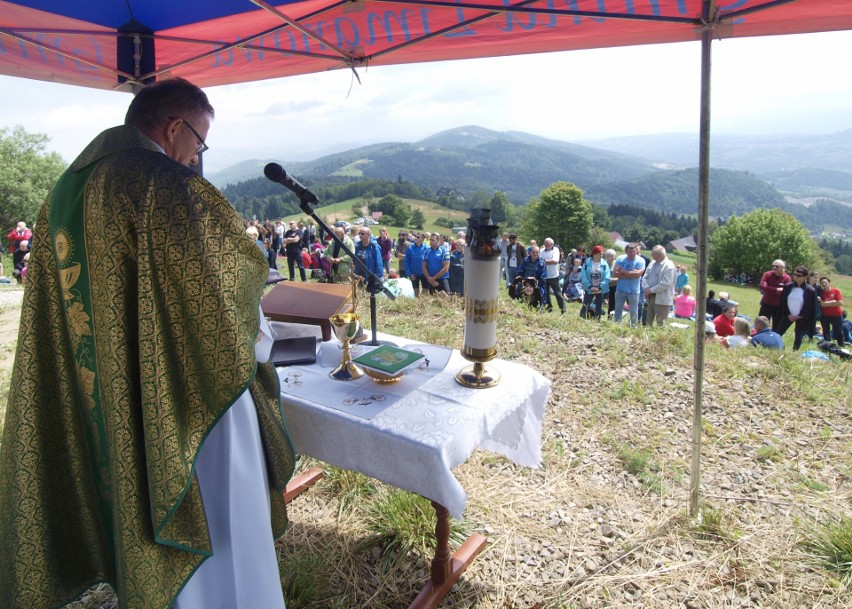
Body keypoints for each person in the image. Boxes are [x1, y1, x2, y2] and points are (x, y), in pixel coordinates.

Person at [0, 78, 295, 609]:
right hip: (185, 398)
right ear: (174, 127)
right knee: (222, 520)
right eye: (200, 142)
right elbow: (223, 289)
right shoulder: (160, 183)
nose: (197, 156)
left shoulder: (68, 187)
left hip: (108, 398)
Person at [777, 265, 818, 351]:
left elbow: (811, 307)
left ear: (805, 277)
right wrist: (788, 314)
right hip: (788, 315)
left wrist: (800, 316)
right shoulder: (788, 286)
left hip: (802, 317)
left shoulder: (810, 290)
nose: (796, 277)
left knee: (798, 336)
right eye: (795, 274)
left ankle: (794, 352)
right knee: (778, 333)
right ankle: (775, 347)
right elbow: (783, 302)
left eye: (799, 275)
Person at [612, 243, 646, 326]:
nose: (632, 254)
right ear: (626, 252)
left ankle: (633, 326)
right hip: (621, 289)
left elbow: (638, 274)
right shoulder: (620, 259)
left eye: (634, 251)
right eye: (630, 252)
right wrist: (630, 274)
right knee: (618, 308)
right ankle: (616, 325)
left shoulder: (640, 260)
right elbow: (615, 272)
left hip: (633, 290)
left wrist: (623, 271)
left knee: (634, 310)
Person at [642, 245, 676, 326]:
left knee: (661, 322)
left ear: (659, 255)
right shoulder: (652, 263)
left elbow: (666, 283)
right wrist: (646, 288)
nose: (651, 256)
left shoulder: (669, 266)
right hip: (650, 296)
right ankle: (645, 336)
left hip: (662, 299)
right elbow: (645, 277)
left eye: (653, 254)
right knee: (647, 321)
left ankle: (659, 338)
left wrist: (651, 290)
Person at [758, 259, 790, 331]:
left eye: (777, 266)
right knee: (761, 322)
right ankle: (760, 336)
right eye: (773, 266)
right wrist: (777, 290)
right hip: (766, 303)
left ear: (783, 268)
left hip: (778, 305)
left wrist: (768, 289)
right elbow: (762, 286)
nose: (774, 268)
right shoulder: (767, 274)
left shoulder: (787, 278)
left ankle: (774, 338)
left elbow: (785, 291)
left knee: (777, 324)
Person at [579, 245, 610, 320]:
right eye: (599, 254)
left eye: (602, 254)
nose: (601, 256)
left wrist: (600, 287)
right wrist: (589, 286)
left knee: (599, 305)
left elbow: (607, 276)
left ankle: (597, 320)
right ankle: (582, 318)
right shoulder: (587, 262)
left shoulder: (604, 263)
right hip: (589, 287)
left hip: (601, 288)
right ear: (594, 254)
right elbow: (583, 275)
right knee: (586, 304)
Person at [539, 238, 565, 314]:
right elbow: (538, 260)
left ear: (552, 244)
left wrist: (543, 261)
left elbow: (555, 261)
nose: (546, 244)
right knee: (545, 293)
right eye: (545, 243)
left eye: (547, 243)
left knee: (558, 294)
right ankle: (549, 307)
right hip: (544, 275)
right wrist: (545, 261)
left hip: (554, 276)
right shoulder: (541, 251)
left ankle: (563, 309)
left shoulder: (556, 250)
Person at [818, 276, 845, 346]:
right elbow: (822, 305)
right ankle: (827, 344)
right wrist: (833, 302)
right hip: (825, 315)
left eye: (825, 282)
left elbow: (840, 303)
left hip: (837, 315)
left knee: (838, 331)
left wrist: (827, 303)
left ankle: (841, 344)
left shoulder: (836, 291)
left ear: (829, 283)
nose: (824, 284)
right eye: (822, 283)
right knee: (825, 331)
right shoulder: (821, 293)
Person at [404, 233, 428, 297]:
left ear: (423, 239)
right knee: (415, 291)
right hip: (414, 274)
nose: (416, 238)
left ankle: (424, 304)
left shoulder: (427, 248)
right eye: (416, 237)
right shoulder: (410, 248)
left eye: (418, 237)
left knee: (426, 291)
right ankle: (417, 304)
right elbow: (406, 261)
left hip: (425, 274)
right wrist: (409, 274)